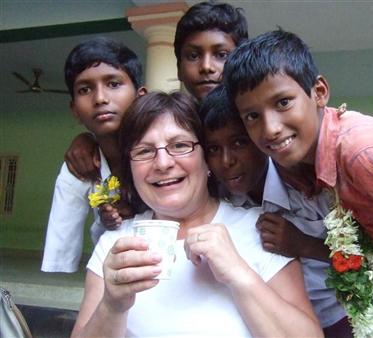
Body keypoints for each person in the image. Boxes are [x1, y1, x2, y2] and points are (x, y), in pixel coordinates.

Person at [222, 29, 373, 338]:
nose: (270, 128)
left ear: (319, 91)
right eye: (252, 116)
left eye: (283, 102)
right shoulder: (309, 161)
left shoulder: (359, 153)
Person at [70, 91, 323, 338]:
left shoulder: (262, 230)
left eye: (179, 145)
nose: (163, 163)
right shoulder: (115, 247)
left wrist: (239, 275)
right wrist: (112, 306)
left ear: (206, 159)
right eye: (144, 151)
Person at [62, 1, 248, 225]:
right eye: (193, 56)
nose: (206, 66)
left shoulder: (257, 119)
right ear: (178, 68)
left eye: (222, 54)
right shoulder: (177, 121)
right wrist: (89, 139)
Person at [200, 85, 352, 337]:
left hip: (340, 318)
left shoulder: (309, 184)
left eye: (239, 142)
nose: (226, 160)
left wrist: (302, 244)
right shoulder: (218, 201)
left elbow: (369, 259)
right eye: (214, 149)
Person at [41, 37, 146, 273]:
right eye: (85, 89)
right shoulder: (79, 164)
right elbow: (62, 239)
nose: (100, 98)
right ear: (75, 110)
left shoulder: (165, 148)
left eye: (113, 84)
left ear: (140, 96)